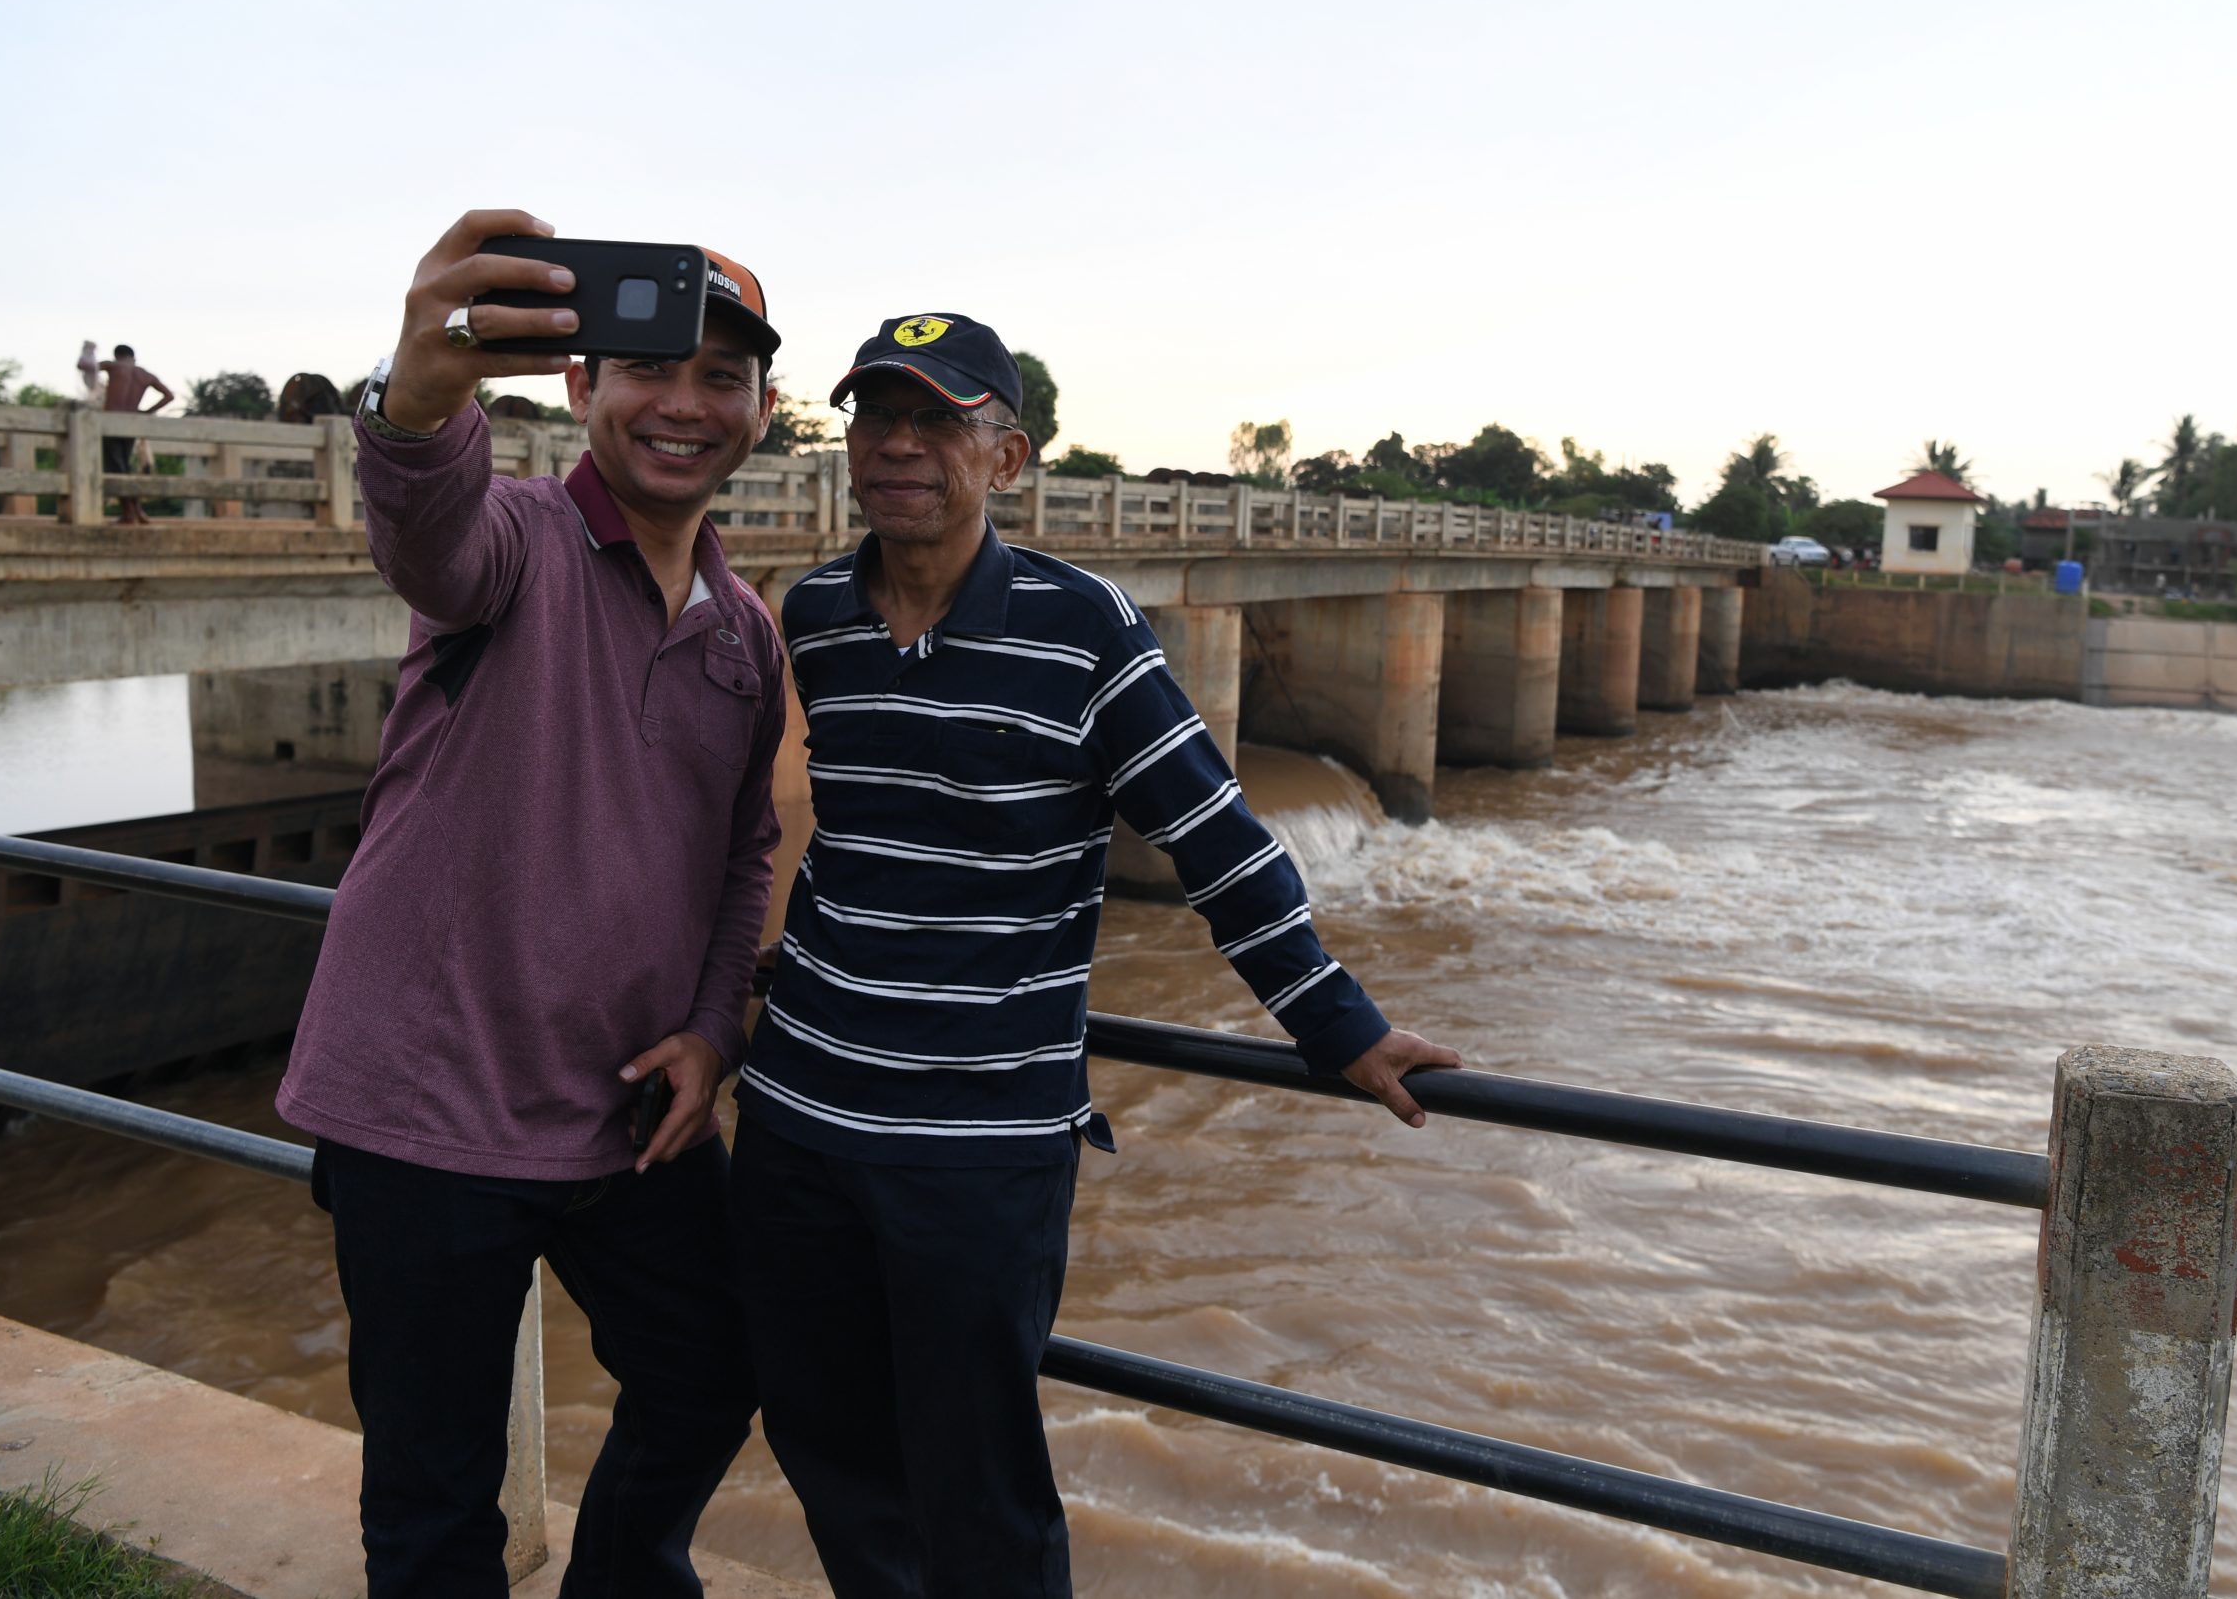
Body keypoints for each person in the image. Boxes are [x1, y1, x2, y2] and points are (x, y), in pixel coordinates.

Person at [731, 311, 1464, 1598]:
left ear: (1005, 459)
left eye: (937, 421)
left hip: (977, 1147)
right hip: (798, 1120)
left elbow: (1215, 839)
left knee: (980, 1486)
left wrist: (1337, 1025)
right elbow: (810, 832)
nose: (897, 446)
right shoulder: (817, 616)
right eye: (876, 417)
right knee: (825, 1442)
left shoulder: (1085, 629)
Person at [274, 210, 788, 1599]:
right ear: (577, 384)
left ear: (762, 412)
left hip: (627, 1108)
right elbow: (428, 530)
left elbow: (745, 852)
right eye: (649, 367)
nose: (684, 403)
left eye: (724, 377)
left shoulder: (744, 632)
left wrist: (714, 1032)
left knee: (714, 1366)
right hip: (426, 1106)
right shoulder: (516, 545)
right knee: (434, 1498)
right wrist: (417, 394)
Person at [83, 341, 174, 524]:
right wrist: (146, 412)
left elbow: (85, 366)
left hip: (111, 422)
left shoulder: (114, 366)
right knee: (124, 466)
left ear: (117, 356)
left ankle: (130, 512)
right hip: (131, 424)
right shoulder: (145, 374)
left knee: (117, 468)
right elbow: (169, 396)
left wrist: (87, 350)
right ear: (133, 357)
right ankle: (136, 511)